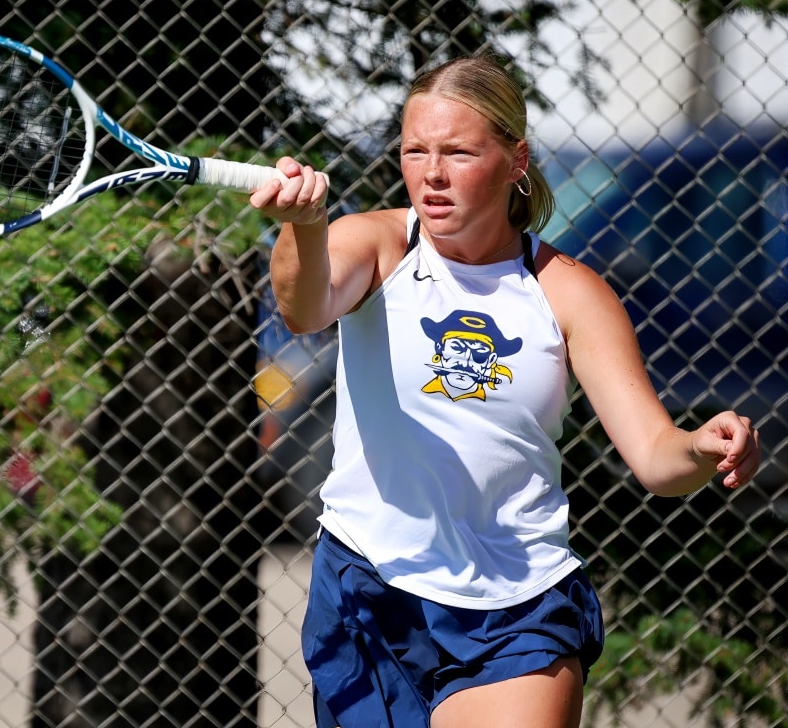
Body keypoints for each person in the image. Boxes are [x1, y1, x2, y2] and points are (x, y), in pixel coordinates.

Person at [249, 54, 761, 728]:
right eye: (415, 151)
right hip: (369, 586)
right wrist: (305, 225)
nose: (431, 174)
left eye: (458, 152)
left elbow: (657, 459)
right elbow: (304, 307)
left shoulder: (567, 289)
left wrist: (702, 446)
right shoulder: (375, 246)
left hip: (517, 606)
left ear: (515, 161)